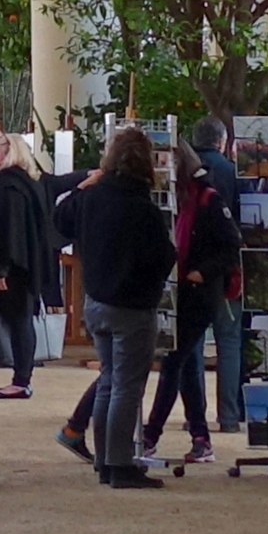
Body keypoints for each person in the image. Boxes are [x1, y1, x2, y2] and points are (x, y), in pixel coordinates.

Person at [60, 125, 175, 486]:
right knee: (127, 385)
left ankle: (106, 462)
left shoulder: (92, 198)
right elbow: (164, 256)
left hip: (95, 301)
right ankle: (120, 463)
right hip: (132, 306)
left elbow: (60, 220)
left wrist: (83, 185)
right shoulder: (143, 208)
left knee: (110, 380)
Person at [158, 137, 233, 466]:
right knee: (187, 365)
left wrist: (202, 272)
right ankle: (200, 438)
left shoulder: (208, 200)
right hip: (179, 293)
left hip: (200, 293)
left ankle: (150, 434)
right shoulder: (172, 201)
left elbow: (231, 246)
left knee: (173, 362)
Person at [0, 126, 52, 398]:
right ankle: (21, 377)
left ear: (8, 154)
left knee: (19, 322)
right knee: (20, 321)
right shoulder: (25, 182)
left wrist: (1, 269)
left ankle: (21, 380)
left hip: (13, 269)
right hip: (25, 265)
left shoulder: (8, 188)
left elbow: (8, 232)